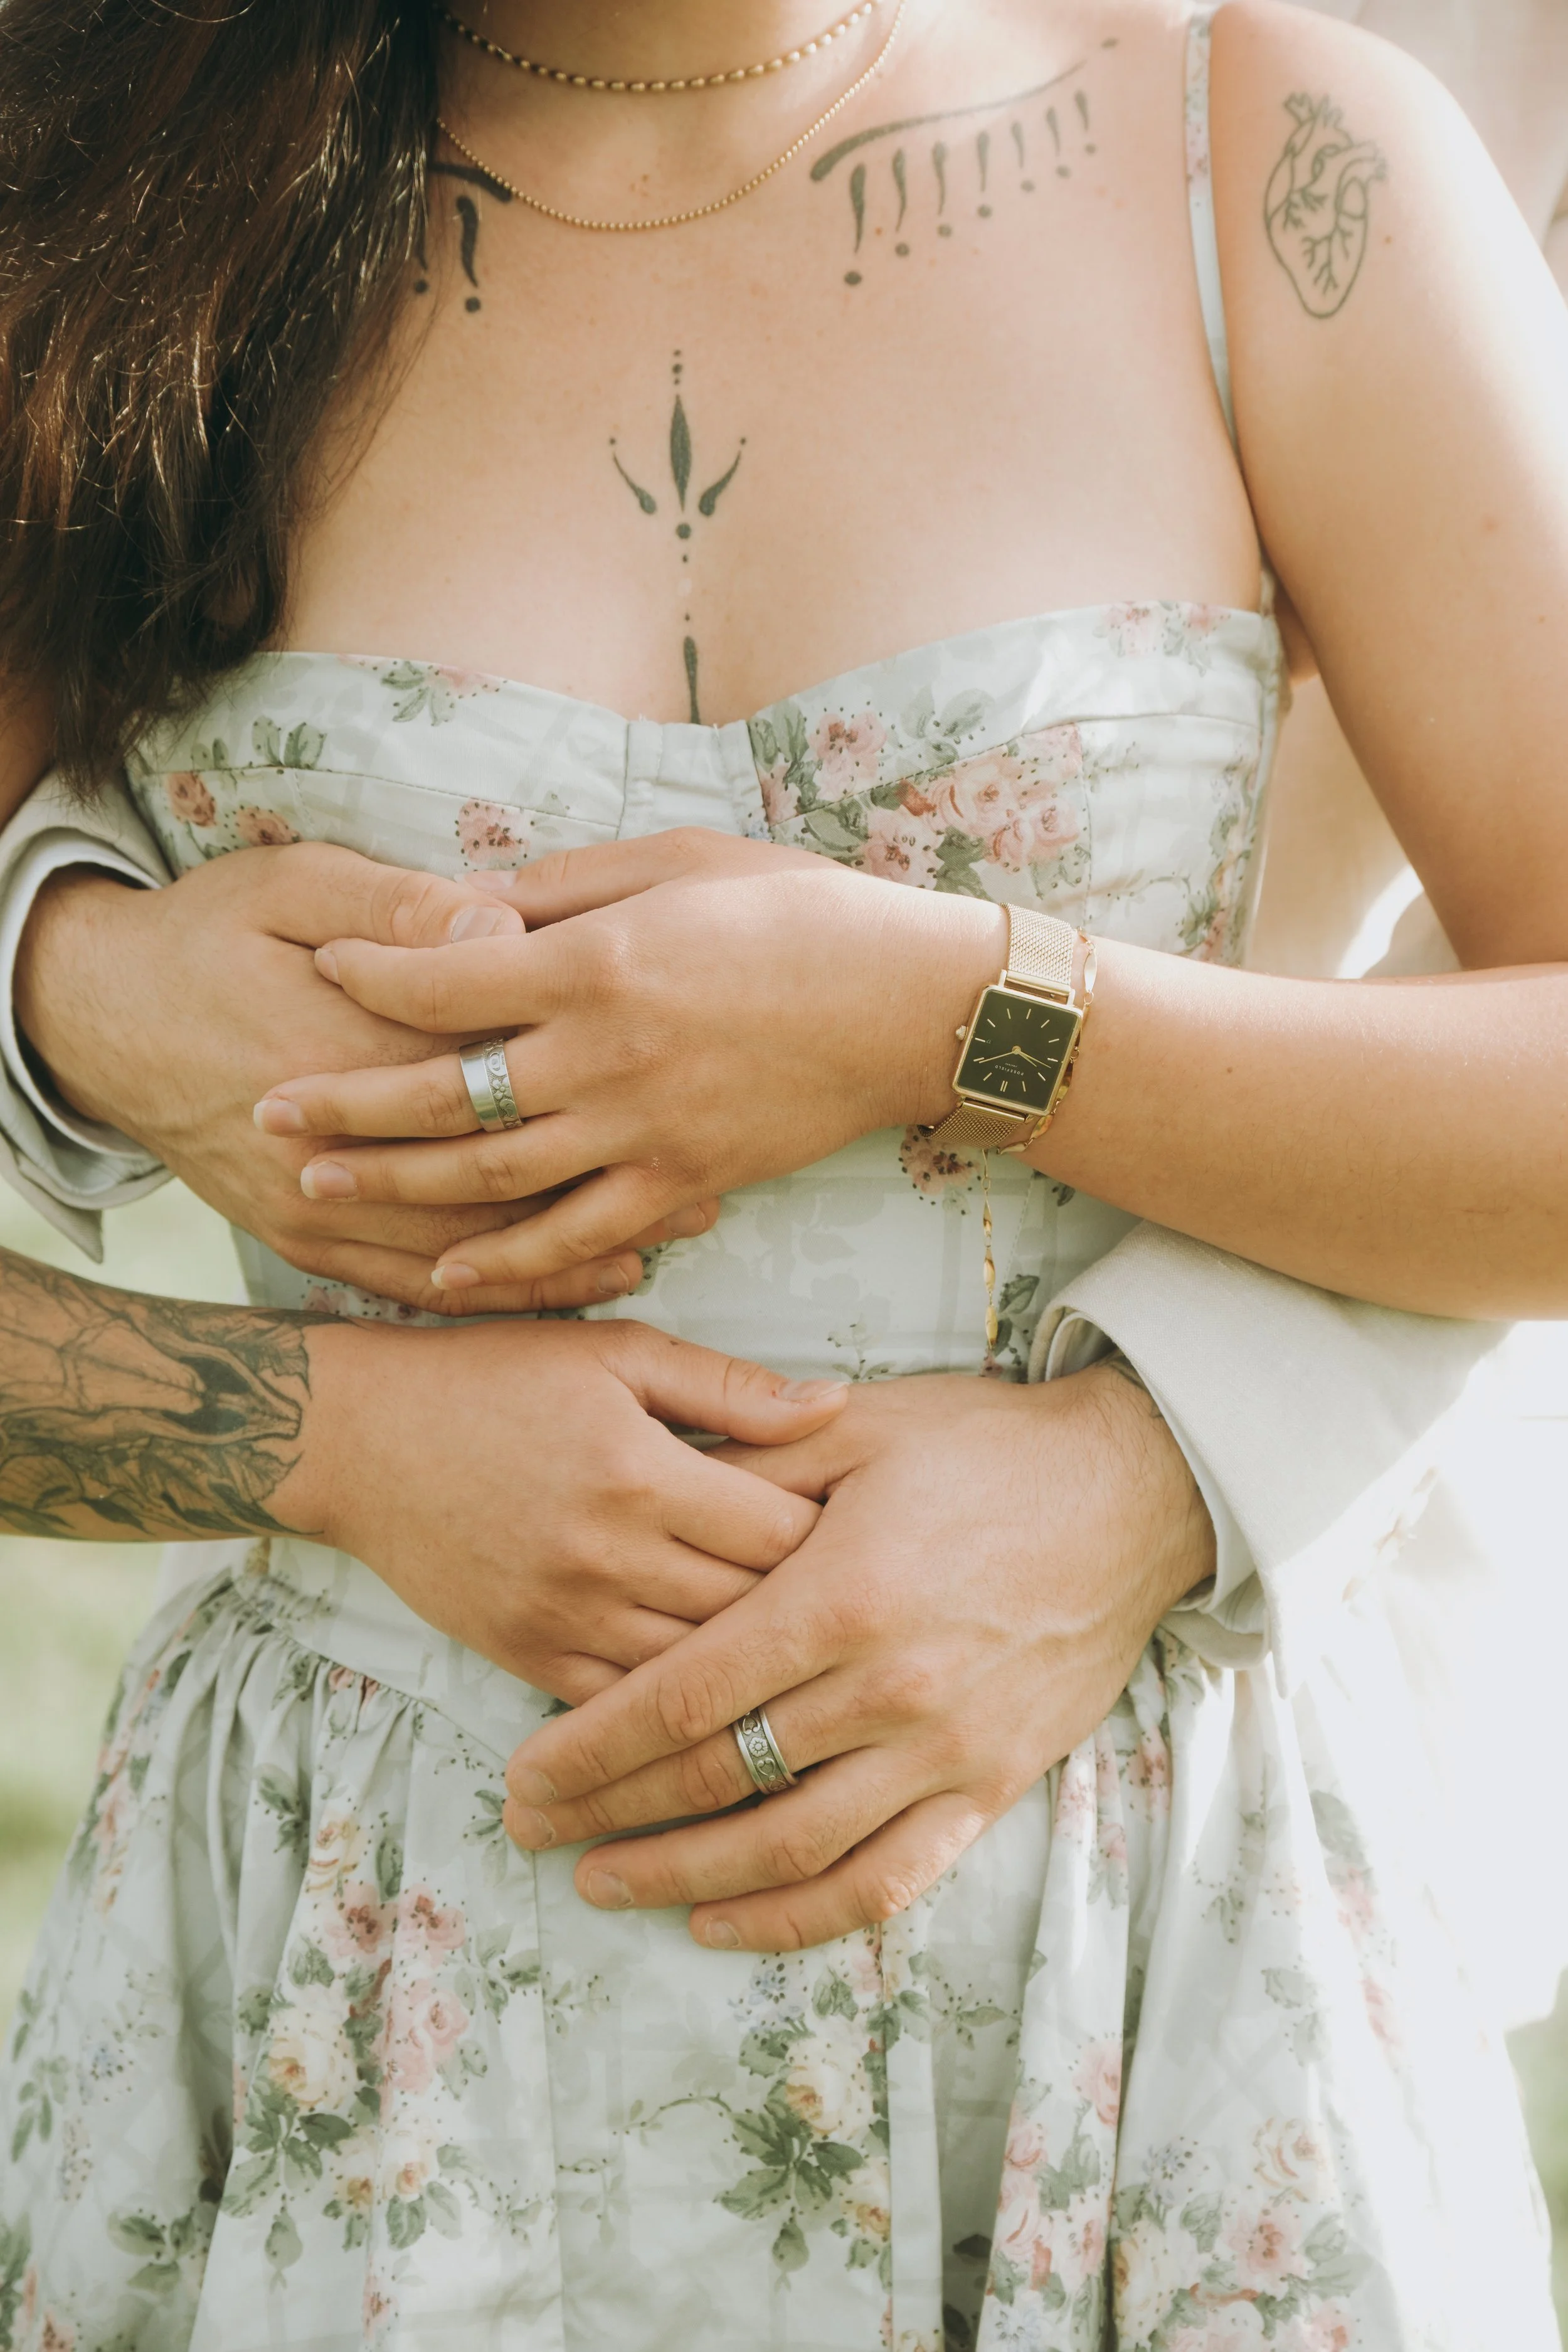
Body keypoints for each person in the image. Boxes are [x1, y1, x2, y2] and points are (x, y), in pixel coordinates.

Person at [0, 3, 1564, 2346]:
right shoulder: (105, 195)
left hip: (1142, 1964)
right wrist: (341, 1430)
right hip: (379, 1991)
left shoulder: (1265, 169)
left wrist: (935, 1015)